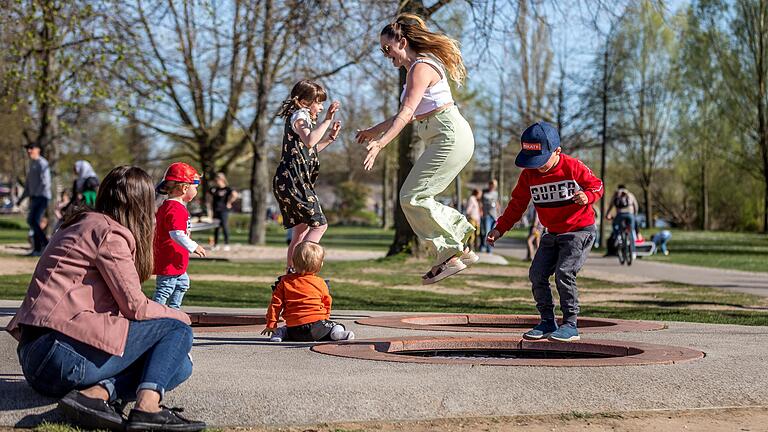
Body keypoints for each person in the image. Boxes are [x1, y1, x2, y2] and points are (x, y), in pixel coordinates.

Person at [5, 166, 206, 432]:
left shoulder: (82, 224)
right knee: (177, 331)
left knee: (178, 367)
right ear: (139, 203)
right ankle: (147, 409)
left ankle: (95, 395)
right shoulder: (109, 234)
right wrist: (183, 318)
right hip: (59, 354)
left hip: (36, 356)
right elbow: (135, 306)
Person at [356, 14, 477, 284]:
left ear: (402, 40)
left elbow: (407, 111)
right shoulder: (416, 71)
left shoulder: (420, 67)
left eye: (387, 48)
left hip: (450, 136)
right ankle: (457, 248)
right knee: (415, 196)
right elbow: (407, 114)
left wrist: (381, 143)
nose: (386, 55)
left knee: (411, 196)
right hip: (447, 136)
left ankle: (451, 252)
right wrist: (373, 131)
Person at [487, 122, 603, 342]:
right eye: (532, 161)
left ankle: (570, 324)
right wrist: (500, 228)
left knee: (564, 272)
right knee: (537, 274)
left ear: (557, 151)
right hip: (552, 232)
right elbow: (517, 204)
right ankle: (547, 321)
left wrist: (588, 196)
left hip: (579, 230)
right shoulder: (529, 175)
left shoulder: (572, 166)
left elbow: (597, 185)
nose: (536, 166)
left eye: (541, 160)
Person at [273, 80, 341, 274]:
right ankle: (304, 269)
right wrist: (327, 120)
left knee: (301, 231)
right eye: (318, 103)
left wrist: (329, 138)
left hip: (291, 181)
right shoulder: (300, 116)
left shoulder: (301, 119)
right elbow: (310, 141)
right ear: (304, 101)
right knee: (320, 225)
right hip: (294, 182)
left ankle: (291, 272)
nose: (321, 108)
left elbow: (309, 151)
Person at [262, 241, 355, 342]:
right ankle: (336, 334)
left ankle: (278, 334)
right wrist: (325, 318)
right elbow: (327, 303)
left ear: (293, 262)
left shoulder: (284, 282)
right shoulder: (320, 283)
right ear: (320, 264)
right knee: (337, 325)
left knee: (285, 329)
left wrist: (271, 324)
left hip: (294, 330)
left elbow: (275, 305)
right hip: (317, 328)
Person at [153, 162, 207, 309]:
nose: (196, 191)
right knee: (165, 289)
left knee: (182, 284)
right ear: (184, 188)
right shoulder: (175, 208)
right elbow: (176, 234)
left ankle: (174, 311)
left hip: (175, 259)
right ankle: (154, 315)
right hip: (169, 259)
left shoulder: (170, 206)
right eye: (195, 187)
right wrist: (194, 246)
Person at [17, 143, 51, 256]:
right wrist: (21, 199)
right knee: (32, 221)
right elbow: (28, 186)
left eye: (31, 148)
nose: (29, 151)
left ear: (38, 149)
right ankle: (37, 249)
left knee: (34, 220)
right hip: (35, 197)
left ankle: (45, 245)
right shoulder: (32, 165)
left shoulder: (42, 163)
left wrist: (37, 194)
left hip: (42, 197)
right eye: (28, 149)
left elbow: (45, 182)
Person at [605, 184, 639, 258]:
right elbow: (636, 205)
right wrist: (634, 215)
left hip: (620, 215)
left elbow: (611, 205)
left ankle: (618, 237)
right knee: (631, 232)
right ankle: (633, 253)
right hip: (630, 215)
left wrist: (607, 214)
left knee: (614, 224)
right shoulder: (630, 195)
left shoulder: (617, 194)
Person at [209, 172, 238, 251]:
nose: (216, 181)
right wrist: (210, 209)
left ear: (222, 180)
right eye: (215, 180)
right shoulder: (214, 189)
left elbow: (235, 194)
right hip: (216, 210)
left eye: (217, 180)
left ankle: (226, 244)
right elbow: (209, 198)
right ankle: (216, 244)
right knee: (216, 227)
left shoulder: (227, 189)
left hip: (223, 210)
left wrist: (229, 202)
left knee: (224, 226)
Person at [479, 179, 500, 253]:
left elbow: (497, 203)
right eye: (491, 184)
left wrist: (498, 214)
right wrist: (481, 211)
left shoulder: (496, 193)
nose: (492, 186)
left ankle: (489, 249)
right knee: (486, 232)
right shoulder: (484, 192)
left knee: (492, 233)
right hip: (486, 215)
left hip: (493, 215)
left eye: (493, 185)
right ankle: (483, 246)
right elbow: (480, 202)